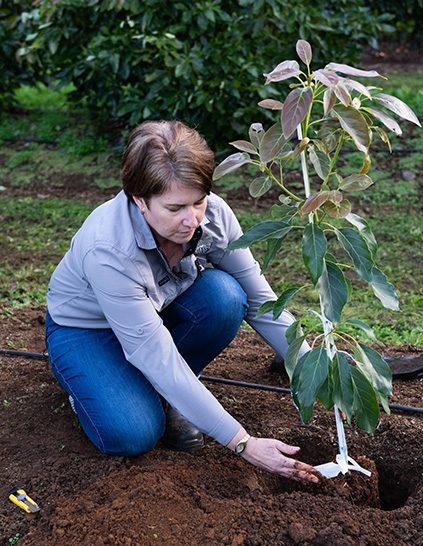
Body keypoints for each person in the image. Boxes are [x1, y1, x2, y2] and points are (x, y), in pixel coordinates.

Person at [45, 120, 318, 483]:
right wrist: (243, 443)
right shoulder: (108, 250)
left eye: (198, 202)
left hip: (155, 310)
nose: (191, 220)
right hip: (87, 329)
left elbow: (260, 299)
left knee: (226, 296)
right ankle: (89, 388)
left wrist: (319, 372)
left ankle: (171, 396)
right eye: (175, 208)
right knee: (133, 432)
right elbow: (157, 356)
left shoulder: (214, 216)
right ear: (139, 200)